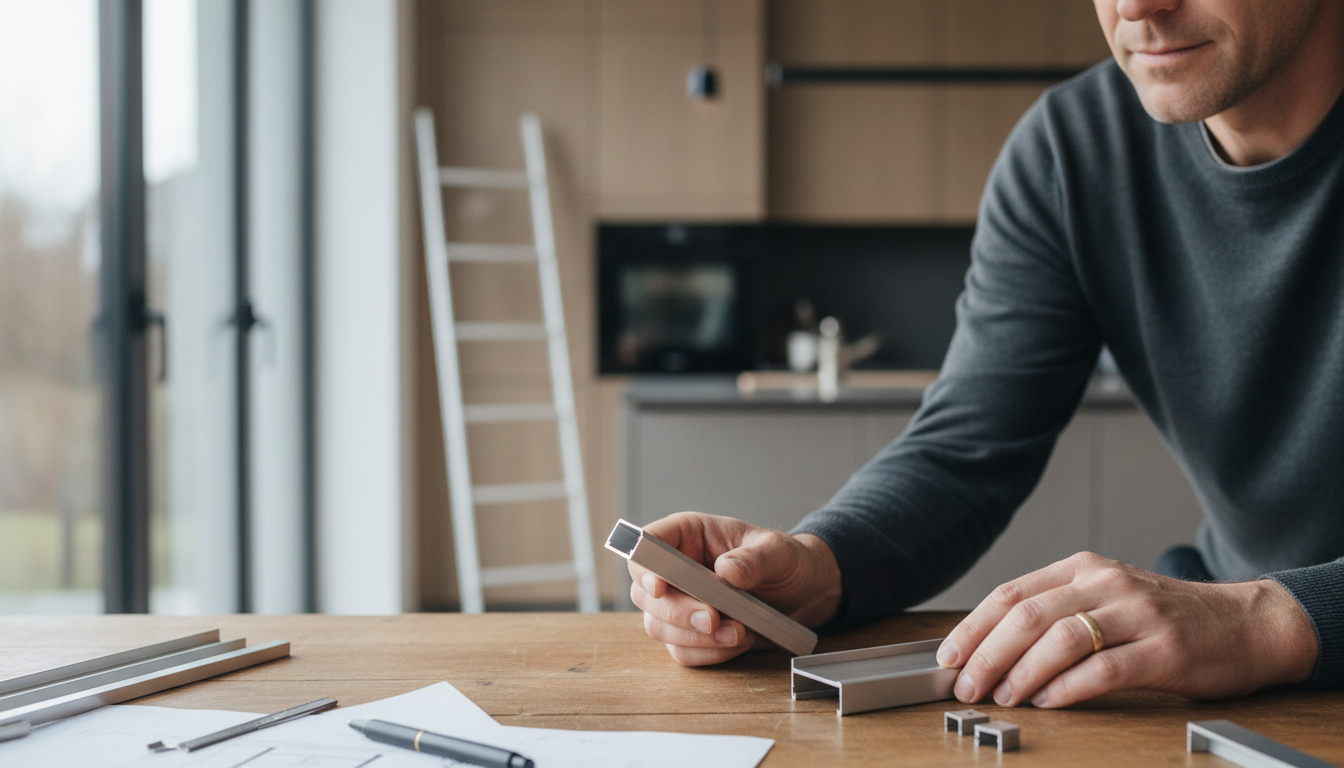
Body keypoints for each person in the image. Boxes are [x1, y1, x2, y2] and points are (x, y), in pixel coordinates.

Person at [629, 0, 1344, 708]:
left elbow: (1259, 625)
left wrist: (1267, 621)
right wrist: (816, 569)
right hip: (1226, 683)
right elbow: (967, 449)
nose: (1136, 5)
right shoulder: (1074, 149)